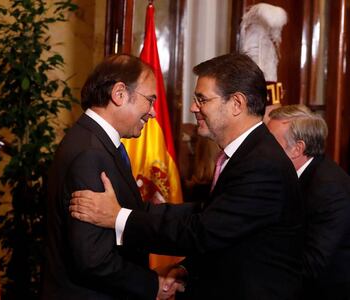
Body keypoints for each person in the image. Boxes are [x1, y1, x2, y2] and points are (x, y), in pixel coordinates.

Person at [70, 53, 304, 300]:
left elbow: (202, 232)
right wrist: (185, 267)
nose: (193, 107)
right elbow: (213, 219)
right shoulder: (249, 155)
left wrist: (119, 217)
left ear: (236, 104)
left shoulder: (261, 165)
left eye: (202, 99)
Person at [41, 54, 180, 299]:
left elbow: (128, 211)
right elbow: (92, 258)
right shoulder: (90, 153)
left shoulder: (95, 141)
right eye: (149, 101)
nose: (153, 113)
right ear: (119, 94)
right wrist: (151, 285)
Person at [267, 104, 350, 300]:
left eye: (271, 143)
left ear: (297, 149)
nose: (264, 149)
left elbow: (312, 263)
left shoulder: (330, 189)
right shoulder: (289, 174)